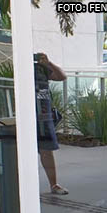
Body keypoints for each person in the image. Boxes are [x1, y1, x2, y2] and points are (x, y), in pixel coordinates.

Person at [33, 52, 68, 195]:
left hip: (44, 117)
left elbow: (62, 76)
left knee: (47, 151)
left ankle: (54, 185)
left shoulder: (41, 69)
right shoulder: (21, 69)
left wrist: (48, 63)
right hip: (28, 117)